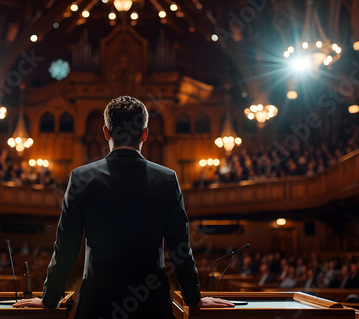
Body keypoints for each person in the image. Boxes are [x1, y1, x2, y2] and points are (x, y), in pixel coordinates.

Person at [13, 96, 234, 317]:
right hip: (151, 305)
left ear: (106, 132)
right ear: (145, 133)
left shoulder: (81, 177)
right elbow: (180, 249)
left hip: (97, 304)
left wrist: (49, 300)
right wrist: (194, 299)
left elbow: (66, 248)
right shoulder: (167, 179)